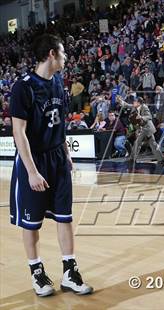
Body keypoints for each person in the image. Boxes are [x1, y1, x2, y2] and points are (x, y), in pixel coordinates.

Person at [9, 34, 93, 297]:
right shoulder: (23, 87)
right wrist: (32, 171)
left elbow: (60, 124)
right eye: (63, 52)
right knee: (31, 224)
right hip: (33, 160)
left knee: (64, 217)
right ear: (51, 54)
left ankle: (70, 271)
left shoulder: (58, 82)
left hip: (57, 158)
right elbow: (18, 133)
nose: (66, 57)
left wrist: (66, 153)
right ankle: (37, 273)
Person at [129, 97, 164, 164]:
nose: (133, 103)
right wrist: (121, 101)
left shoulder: (144, 107)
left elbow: (149, 116)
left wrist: (141, 117)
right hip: (144, 129)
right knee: (153, 144)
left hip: (147, 128)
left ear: (139, 103)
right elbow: (128, 105)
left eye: (135, 102)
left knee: (137, 143)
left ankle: (132, 159)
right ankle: (161, 159)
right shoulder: (135, 108)